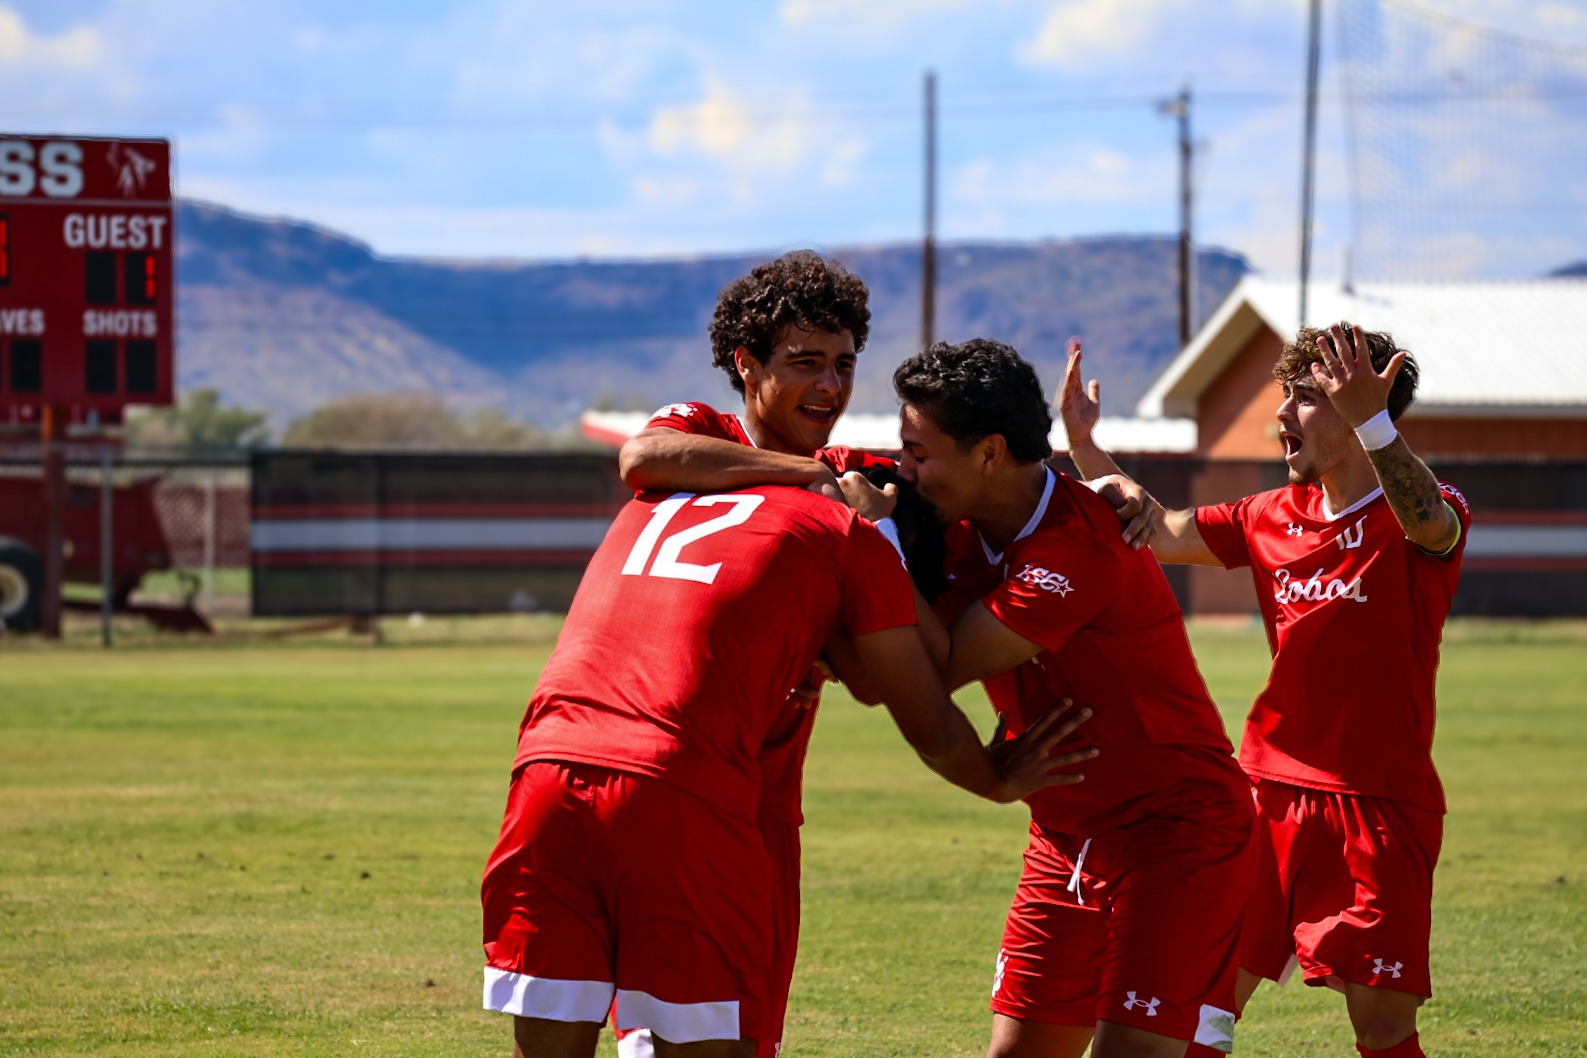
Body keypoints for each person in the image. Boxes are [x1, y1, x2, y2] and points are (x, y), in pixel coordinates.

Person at [481, 479, 1095, 1058]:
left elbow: (649, 460)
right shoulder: (849, 528)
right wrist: (995, 779)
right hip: (678, 787)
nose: (833, 384)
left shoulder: (667, 485)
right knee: (706, 1036)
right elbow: (910, 701)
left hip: (544, 769)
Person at [1059, 323, 1470, 1058]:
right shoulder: (1265, 516)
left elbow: (1430, 525)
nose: (1280, 414)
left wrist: (1372, 421)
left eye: (1304, 398)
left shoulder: (1421, 511)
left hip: (1377, 803)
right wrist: (1086, 451)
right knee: (1203, 1009)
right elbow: (1159, 530)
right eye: (1284, 395)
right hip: (1261, 794)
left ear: (1361, 409)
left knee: (1383, 1031)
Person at [842, 338, 1255, 1058]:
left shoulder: (1078, 547)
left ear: (989, 453)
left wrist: (875, 537)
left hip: (1176, 833)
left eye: (916, 451)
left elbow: (934, 669)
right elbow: (825, 473)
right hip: (1065, 833)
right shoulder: (956, 510)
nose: (901, 468)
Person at [615, 250, 892, 1058]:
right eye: (805, 364)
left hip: (767, 796)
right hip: (675, 777)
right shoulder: (705, 429)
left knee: (746, 1034)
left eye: (843, 365)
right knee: (671, 1022)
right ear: (746, 363)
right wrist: (806, 478)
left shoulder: (853, 477)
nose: (830, 387)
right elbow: (644, 457)